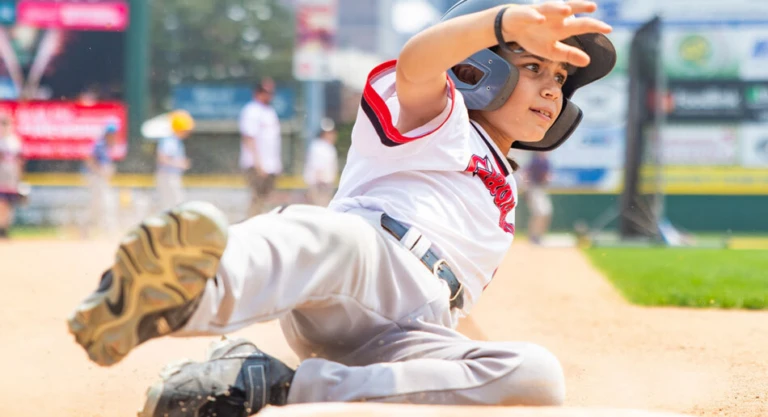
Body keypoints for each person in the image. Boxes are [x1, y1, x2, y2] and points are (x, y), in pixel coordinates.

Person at [67, 1, 615, 415]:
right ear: (476, 70)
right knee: (318, 236)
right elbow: (420, 62)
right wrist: (501, 25)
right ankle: (183, 293)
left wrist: (478, 369)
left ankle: (275, 387)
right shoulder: (439, 116)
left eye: (561, 79)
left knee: (538, 378)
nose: (552, 91)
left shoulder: (504, 195)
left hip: (412, 330)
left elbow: (461, 303)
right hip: (369, 256)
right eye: (534, 67)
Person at [239, 77, 283, 217]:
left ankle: (257, 223)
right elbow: (249, 138)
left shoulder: (269, 112)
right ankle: (250, 224)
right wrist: (258, 164)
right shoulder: (252, 110)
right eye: (266, 91)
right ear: (257, 92)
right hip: (257, 165)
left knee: (265, 198)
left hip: (270, 165)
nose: (269, 95)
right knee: (257, 198)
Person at [82, 120, 120, 238]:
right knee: (104, 204)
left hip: (101, 179)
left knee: (99, 206)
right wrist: (100, 170)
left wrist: (107, 171)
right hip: (95, 179)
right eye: (112, 133)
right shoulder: (100, 144)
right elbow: (89, 160)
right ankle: (108, 232)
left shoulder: (107, 146)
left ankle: (87, 230)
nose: (114, 135)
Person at [155, 110, 194, 212]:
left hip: (170, 176)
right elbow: (162, 158)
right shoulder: (170, 141)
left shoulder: (174, 140)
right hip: (168, 176)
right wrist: (180, 164)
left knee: (173, 205)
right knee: (175, 205)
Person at [303, 119, 339, 207]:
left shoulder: (328, 147)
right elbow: (317, 167)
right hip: (320, 185)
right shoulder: (318, 146)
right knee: (319, 209)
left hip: (325, 185)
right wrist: (320, 184)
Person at [0, 116, 23, 239]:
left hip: (11, 177)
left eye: (6, 124)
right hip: (1, 176)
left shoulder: (14, 141)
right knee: (1, 203)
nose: (4, 127)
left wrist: (19, 177)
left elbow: (19, 161)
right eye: (2, 124)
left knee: (8, 204)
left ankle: (5, 229)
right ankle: (1, 228)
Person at [523, 152, 554, 244]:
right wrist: (526, 188)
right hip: (534, 188)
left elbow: (547, 177)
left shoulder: (546, 161)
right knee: (539, 213)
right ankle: (533, 236)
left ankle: (539, 236)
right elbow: (526, 174)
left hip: (541, 189)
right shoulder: (535, 161)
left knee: (546, 212)